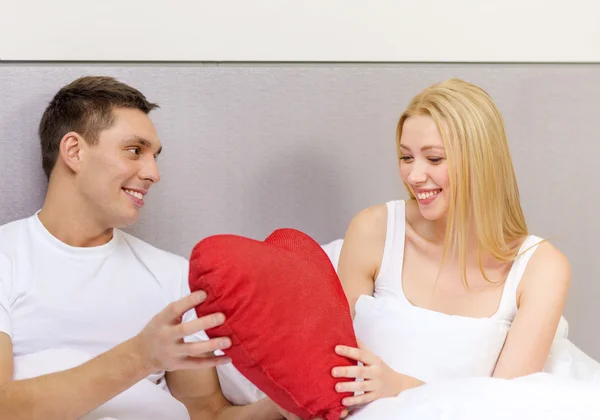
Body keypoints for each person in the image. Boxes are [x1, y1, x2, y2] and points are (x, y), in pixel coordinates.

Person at [0, 76, 291, 419]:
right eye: (135, 150)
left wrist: (285, 406)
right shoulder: (9, 257)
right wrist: (141, 356)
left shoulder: (172, 276)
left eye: (154, 156)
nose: (153, 173)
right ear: (74, 151)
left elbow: (207, 412)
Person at [330, 78, 572, 409]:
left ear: (480, 161)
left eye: (433, 159)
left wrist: (401, 386)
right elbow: (333, 361)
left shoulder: (541, 268)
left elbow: (505, 407)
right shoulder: (374, 231)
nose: (414, 176)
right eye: (406, 157)